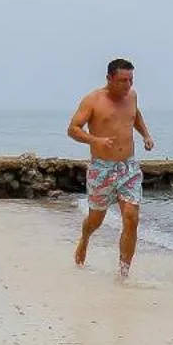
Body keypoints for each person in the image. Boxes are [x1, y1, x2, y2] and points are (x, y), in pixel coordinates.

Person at [66, 57, 154, 279]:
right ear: (109, 79)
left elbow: (136, 115)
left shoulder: (132, 95)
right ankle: (85, 238)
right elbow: (73, 129)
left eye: (131, 80)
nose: (128, 85)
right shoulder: (93, 100)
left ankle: (123, 273)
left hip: (129, 167)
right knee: (96, 219)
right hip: (102, 168)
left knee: (132, 218)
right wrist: (94, 140)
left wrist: (145, 135)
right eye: (123, 80)